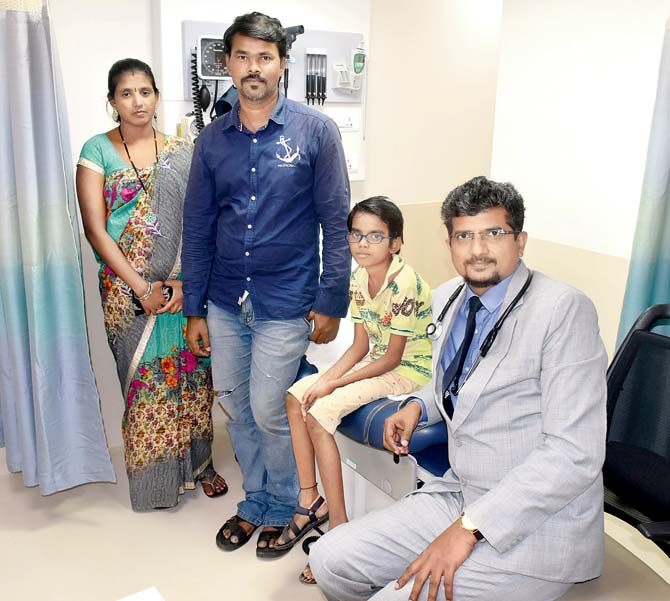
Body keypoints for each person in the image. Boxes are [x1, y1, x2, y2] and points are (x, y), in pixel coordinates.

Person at [310, 176, 608, 601]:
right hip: (458, 492)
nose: (478, 249)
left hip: (538, 523)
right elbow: (460, 380)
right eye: (464, 235)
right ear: (449, 243)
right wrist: (417, 405)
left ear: (520, 241)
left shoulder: (562, 311)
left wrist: (469, 528)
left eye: (494, 233)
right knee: (329, 559)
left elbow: (574, 453)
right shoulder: (449, 297)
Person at [181, 12, 350, 556]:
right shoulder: (211, 142)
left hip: (286, 299)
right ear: (226, 63)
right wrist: (195, 309)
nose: (253, 68)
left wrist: (331, 301)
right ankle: (256, 499)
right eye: (243, 57)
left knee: (269, 406)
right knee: (234, 400)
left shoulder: (315, 132)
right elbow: (199, 226)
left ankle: (288, 505)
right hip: (227, 298)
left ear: (282, 63)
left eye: (265, 57)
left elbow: (335, 220)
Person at [76, 58, 227, 511]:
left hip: (181, 288)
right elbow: (95, 230)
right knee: (143, 382)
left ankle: (201, 465)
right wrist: (141, 287)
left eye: (145, 91)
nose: (137, 101)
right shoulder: (96, 150)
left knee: (194, 376)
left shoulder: (183, 151)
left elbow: (201, 222)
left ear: (157, 97)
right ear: (112, 102)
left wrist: (185, 285)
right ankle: (155, 481)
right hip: (128, 292)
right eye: (126, 94)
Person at [274, 197, 432, 584]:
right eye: (356, 234)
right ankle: (310, 498)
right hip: (374, 361)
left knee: (320, 413)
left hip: (408, 372)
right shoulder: (359, 279)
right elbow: (361, 347)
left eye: (375, 236)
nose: (362, 243)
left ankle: (339, 531)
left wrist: (334, 383)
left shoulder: (405, 283)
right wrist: (328, 378)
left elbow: (393, 358)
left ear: (395, 243)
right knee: (296, 398)